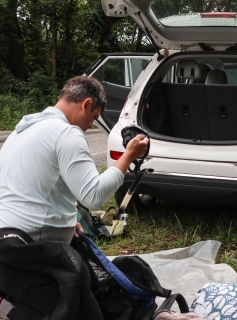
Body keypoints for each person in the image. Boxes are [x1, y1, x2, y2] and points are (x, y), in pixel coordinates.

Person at [0, 76, 149, 319]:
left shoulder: (23, 130)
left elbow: (37, 186)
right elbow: (93, 196)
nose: (90, 127)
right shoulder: (66, 133)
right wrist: (128, 156)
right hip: (30, 247)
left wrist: (67, 220)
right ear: (86, 104)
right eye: (93, 117)